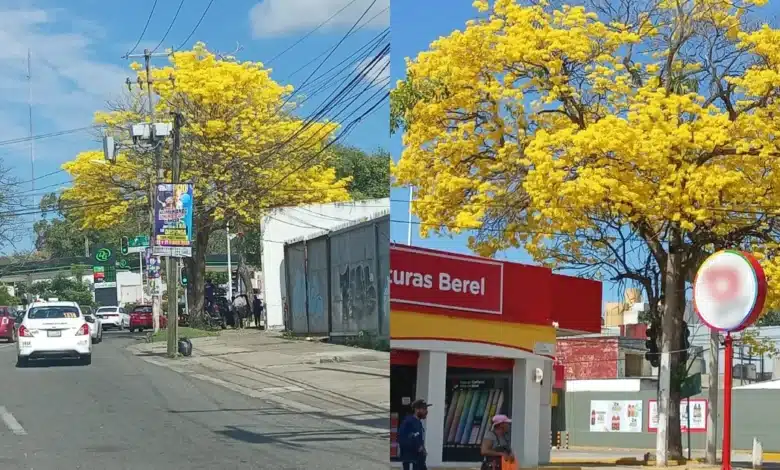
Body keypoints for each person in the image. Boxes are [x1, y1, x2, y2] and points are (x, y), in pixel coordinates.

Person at [398, 399, 431, 470]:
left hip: (419, 460)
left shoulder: (418, 422)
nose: (426, 411)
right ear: (417, 410)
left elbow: (417, 437)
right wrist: (417, 447)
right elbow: (402, 439)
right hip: (411, 459)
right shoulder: (408, 422)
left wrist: (422, 448)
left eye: (426, 409)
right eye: (424, 409)